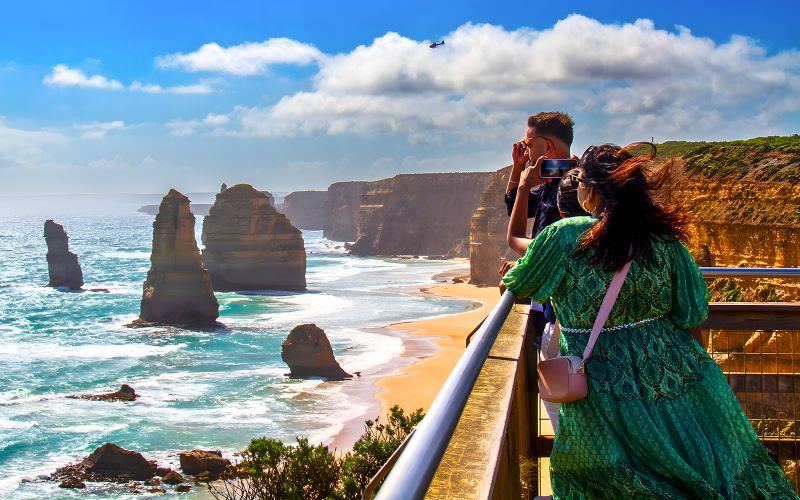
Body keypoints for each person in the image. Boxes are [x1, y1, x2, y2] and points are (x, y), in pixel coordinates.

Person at [502, 144, 796, 498]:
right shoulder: (662, 238)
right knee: (696, 471)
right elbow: (690, 312)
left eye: (578, 179)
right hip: (673, 377)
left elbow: (522, 282)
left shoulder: (566, 234)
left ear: (591, 188)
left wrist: (520, 204)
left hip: (603, 384)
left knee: (605, 475)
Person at [500, 111, 575, 349]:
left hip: (562, 306)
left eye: (529, 144)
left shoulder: (571, 189)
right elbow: (516, 209)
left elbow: (516, 237)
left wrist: (533, 260)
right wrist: (517, 167)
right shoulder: (549, 179)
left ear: (549, 146)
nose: (526, 150)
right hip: (551, 297)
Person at [539, 169, 586, 432]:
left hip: (570, 341)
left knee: (565, 419)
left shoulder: (559, 235)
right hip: (621, 349)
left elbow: (524, 284)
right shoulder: (648, 237)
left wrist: (523, 189)